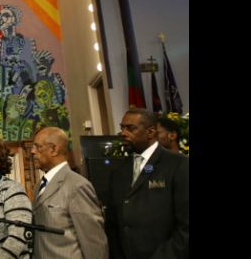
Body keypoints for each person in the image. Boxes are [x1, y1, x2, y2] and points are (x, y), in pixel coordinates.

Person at [104, 108, 189, 259]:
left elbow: (185, 227)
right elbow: (112, 224)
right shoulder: (118, 171)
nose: (123, 133)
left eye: (130, 128)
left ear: (150, 132)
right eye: (122, 128)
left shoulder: (178, 164)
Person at [30, 127, 108, 259]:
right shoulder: (39, 186)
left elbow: (93, 241)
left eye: (38, 147)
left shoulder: (77, 185)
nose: (32, 151)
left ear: (54, 149)